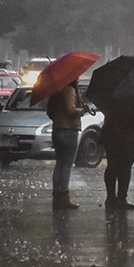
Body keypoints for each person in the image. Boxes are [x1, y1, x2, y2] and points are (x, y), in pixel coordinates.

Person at [46, 80, 87, 210]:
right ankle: (64, 197)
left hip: (57, 130)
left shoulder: (55, 92)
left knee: (59, 165)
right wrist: (82, 110)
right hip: (68, 131)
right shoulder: (69, 89)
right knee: (66, 166)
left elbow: (50, 112)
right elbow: (70, 110)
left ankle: (57, 197)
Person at [101, 103, 134, 210]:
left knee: (112, 165)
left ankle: (111, 198)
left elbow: (104, 108)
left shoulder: (109, 90)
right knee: (125, 167)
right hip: (130, 133)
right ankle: (121, 198)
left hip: (111, 131)